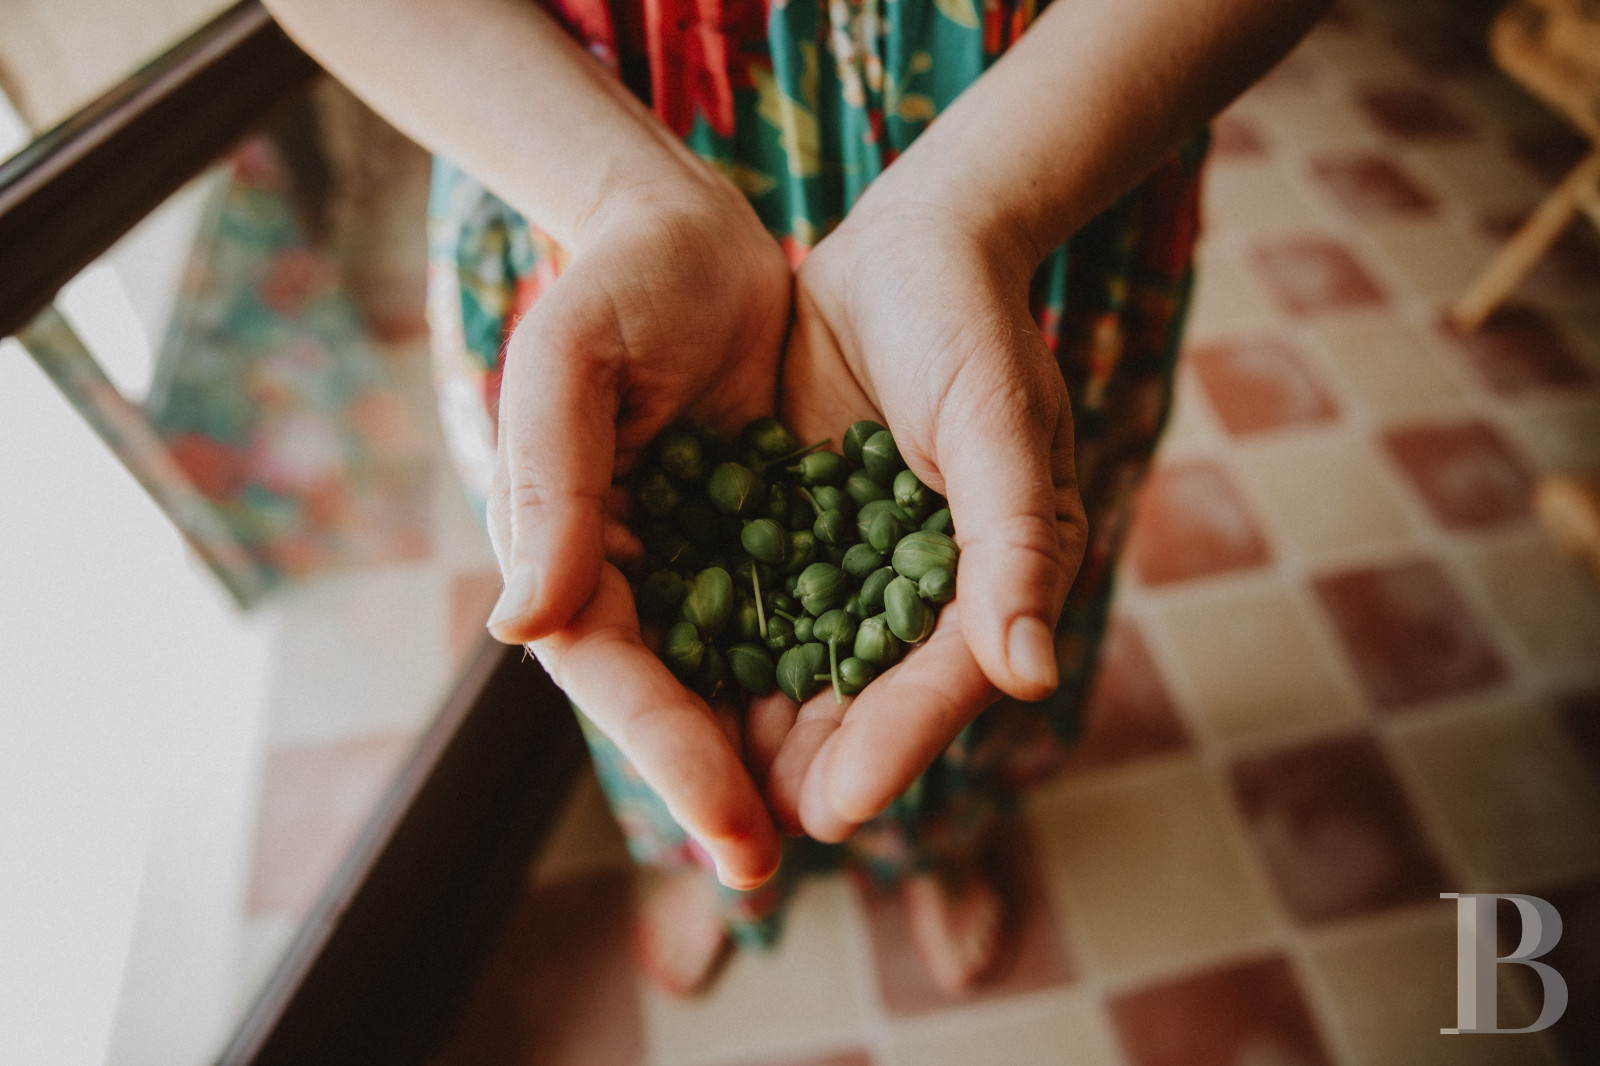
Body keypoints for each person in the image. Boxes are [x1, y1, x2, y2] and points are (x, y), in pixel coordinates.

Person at [264, 0, 1327, 996]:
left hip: (1044, 146)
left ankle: (935, 843)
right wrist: (623, 198)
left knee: (996, 570)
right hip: (569, 154)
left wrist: (966, 212)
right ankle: (715, 854)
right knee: (632, 635)